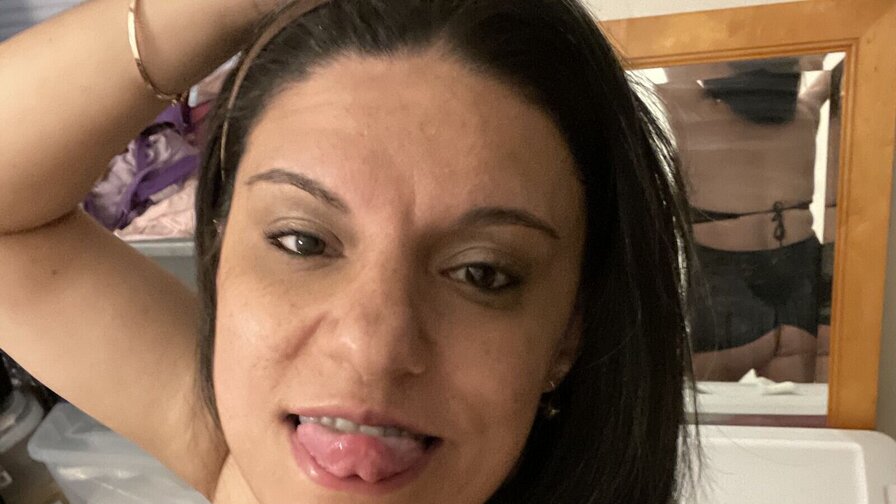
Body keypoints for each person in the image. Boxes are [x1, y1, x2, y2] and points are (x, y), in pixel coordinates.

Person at [0, 0, 695, 503]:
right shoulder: (240, 464)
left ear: (569, 332)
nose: (370, 348)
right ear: (217, 250)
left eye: (481, 273)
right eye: (302, 241)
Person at [658, 60, 831, 383]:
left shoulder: (693, 111)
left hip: (735, 274)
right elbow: (828, 79)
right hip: (796, 268)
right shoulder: (806, 113)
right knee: (792, 407)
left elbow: (672, 51)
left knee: (705, 405)